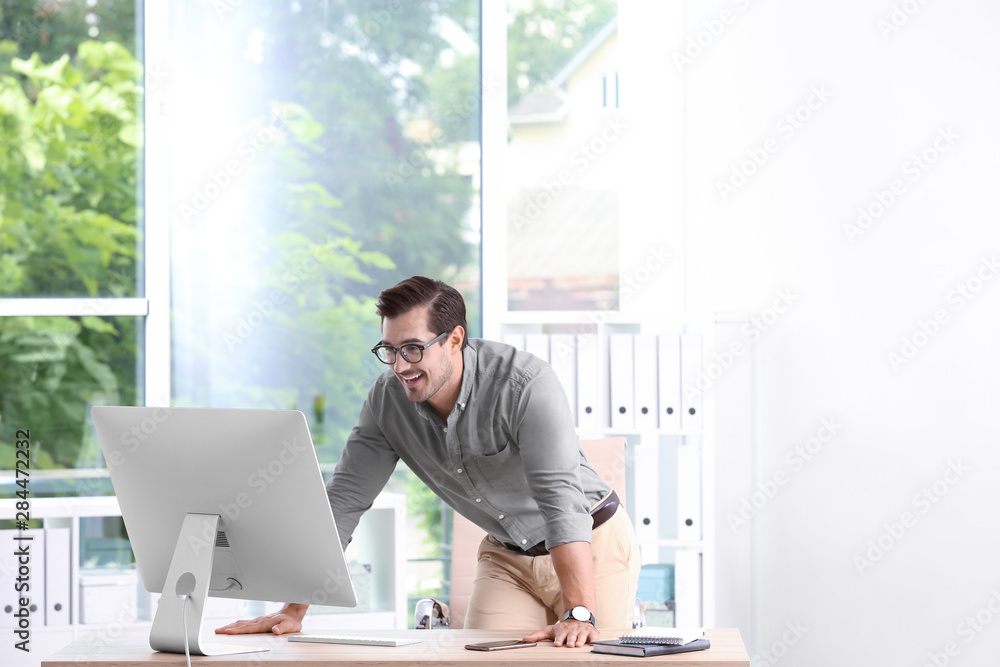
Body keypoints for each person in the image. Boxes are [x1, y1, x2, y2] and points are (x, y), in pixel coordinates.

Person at [216, 276, 640, 647]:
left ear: (454, 339)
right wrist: (294, 610)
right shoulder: (387, 402)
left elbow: (560, 501)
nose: (400, 366)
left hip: (593, 542)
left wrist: (580, 612)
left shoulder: (524, 385)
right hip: (508, 558)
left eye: (414, 349)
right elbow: (344, 500)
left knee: (590, 659)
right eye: (390, 349)